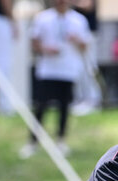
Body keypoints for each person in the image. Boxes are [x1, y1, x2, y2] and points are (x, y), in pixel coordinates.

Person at [19, 0, 92, 158]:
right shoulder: (42, 18)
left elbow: (85, 46)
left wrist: (77, 40)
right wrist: (46, 49)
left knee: (64, 107)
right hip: (47, 70)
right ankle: (33, 141)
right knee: (40, 106)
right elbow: (34, 42)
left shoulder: (78, 20)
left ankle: (61, 140)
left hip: (68, 70)